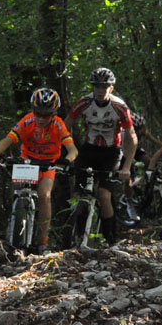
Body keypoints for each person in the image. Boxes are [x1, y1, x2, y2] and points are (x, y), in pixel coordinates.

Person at [0, 87, 78, 254]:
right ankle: (14, 225)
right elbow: (8, 139)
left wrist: (66, 160)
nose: (41, 118)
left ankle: (43, 242)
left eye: (46, 115)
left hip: (48, 164)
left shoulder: (58, 125)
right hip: (28, 160)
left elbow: (73, 149)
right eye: (38, 113)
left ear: (54, 114)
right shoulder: (28, 121)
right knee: (18, 188)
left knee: (44, 195)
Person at [64, 67, 138, 245]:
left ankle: (110, 239)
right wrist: (65, 152)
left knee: (104, 195)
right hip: (88, 150)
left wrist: (127, 166)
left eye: (104, 87)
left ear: (111, 88)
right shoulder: (84, 103)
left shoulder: (120, 107)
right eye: (96, 86)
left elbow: (131, 137)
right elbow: (65, 127)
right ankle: (77, 236)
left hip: (111, 152)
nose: (100, 90)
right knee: (80, 194)